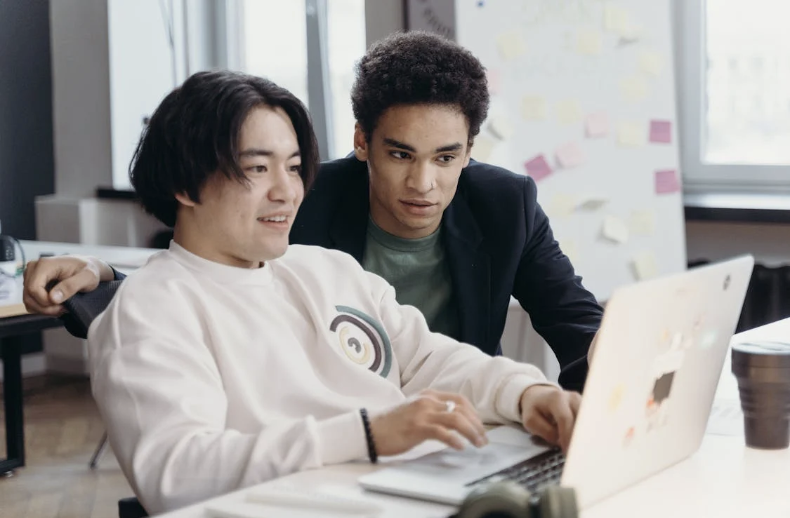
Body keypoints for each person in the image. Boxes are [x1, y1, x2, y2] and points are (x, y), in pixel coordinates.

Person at [70, 70, 581, 514]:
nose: (287, 190)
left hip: (404, 492)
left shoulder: (326, 269)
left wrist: (526, 393)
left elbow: (433, 360)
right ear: (184, 184)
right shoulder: (152, 309)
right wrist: (368, 433)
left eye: (293, 167)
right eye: (257, 168)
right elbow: (175, 475)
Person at [23, 31, 602, 391]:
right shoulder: (300, 198)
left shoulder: (507, 203)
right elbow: (203, 288)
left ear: (469, 152)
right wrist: (101, 279)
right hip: (338, 427)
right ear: (361, 141)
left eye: (446, 157)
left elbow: (578, 325)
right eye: (400, 154)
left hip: (465, 417)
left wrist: (599, 392)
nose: (424, 183)